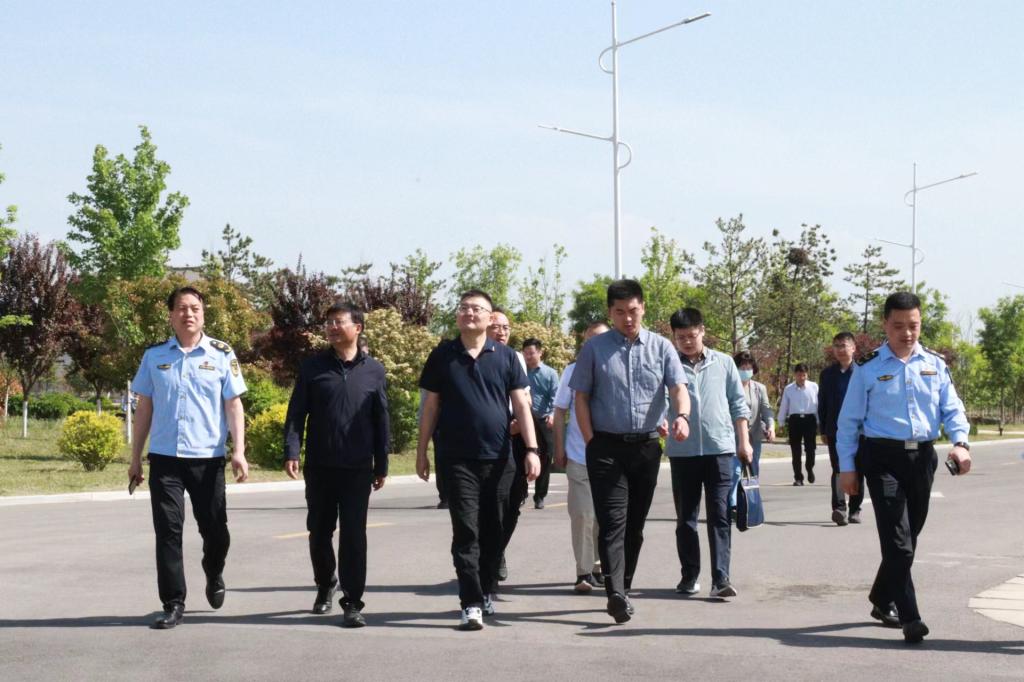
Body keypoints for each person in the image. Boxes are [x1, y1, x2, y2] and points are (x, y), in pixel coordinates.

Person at [837, 291, 972, 644]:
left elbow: (952, 408)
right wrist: (847, 468)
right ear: (885, 325)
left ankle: (881, 597)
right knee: (899, 543)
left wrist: (960, 443)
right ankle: (910, 617)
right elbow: (848, 422)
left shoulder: (935, 364)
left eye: (913, 325)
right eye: (898, 326)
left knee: (909, 538)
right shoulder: (867, 367)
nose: (907, 333)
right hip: (882, 458)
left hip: (922, 459)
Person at [417, 290, 541, 631]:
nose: (469, 313)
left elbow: (521, 405)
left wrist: (532, 450)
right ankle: (470, 602)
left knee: (494, 531)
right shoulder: (442, 355)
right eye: (464, 308)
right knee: (466, 532)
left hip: (499, 459)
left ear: (489, 317)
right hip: (456, 459)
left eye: (476, 309)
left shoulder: (506, 358)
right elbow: (430, 406)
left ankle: (486, 589)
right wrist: (422, 451)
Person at [128, 286, 249, 630]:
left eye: (195, 308)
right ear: (171, 315)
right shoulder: (154, 356)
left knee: (215, 531)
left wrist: (238, 451)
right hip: (165, 459)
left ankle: (214, 570)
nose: (189, 314)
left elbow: (233, 404)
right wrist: (135, 458)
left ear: (203, 314)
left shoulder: (222, 354)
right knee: (168, 531)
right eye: (182, 308)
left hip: (207, 459)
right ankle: (173, 602)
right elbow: (144, 408)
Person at [570, 279, 690, 624]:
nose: (627, 318)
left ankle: (624, 584)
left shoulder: (662, 347)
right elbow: (581, 397)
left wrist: (682, 416)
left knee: (634, 526)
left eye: (633, 311)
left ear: (643, 309)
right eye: (620, 312)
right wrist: (591, 440)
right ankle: (616, 594)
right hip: (605, 448)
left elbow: (678, 388)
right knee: (612, 522)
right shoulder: (594, 349)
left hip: (646, 448)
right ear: (610, 312)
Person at [283, 302, 390, 628]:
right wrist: (292, 450)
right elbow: (296, 413)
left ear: (357, 327)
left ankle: (353, 602)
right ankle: (325, 582)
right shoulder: (312, 367)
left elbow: (381, 418)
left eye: (338, 321)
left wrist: (382, 463)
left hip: (358, 467)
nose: (331, 327)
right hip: (320, 466)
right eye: (328, 322)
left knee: (354, 535)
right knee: (319, 532)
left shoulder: (374, 371)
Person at [666, 308, 752, 599]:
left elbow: (738, 404)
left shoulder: (724, 362)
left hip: (720, 450)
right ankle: (689, 576)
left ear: (702, 331)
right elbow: (658, 402)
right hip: (683, 453)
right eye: (681, 337)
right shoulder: (669, 364)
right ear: (674, 337)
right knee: (686, 519)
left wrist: (744, 442)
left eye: (692, 335)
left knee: (720, 516)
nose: (687, 342)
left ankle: (721, 578)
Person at [552, 321, 610, 593]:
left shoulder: (617, 369)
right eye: (589, 341)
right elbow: (560, 410)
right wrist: (559, 448)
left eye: (600, 339)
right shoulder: (572, 371)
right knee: (583, 514)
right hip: (579, 456)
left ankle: (598, 566)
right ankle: (583, 571)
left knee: (603, 518)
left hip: (611, 459)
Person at [488, 307, 529, 582]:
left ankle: (498, 549)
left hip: (514, 437)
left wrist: (519, 425)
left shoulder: (515, 358)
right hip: (486, 440)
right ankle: (488, 557)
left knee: (514, 502)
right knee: (491, 503)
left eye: (505, 327)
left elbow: (525, 397)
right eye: (495, 326)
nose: (501, 332)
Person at [818, 331, 864, 526]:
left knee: (858, 468)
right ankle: (839, 508)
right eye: (836, 346)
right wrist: (823, 429)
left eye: (843, 345)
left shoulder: (863, 371)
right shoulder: (827, 374)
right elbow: (822, 403)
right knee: (838, 468)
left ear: (853, 348)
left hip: (860, 430)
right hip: (835, 430)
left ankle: (855, 509)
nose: (839, 350)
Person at [731, 351, 775, 509]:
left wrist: (771, 426)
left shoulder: (759, 388)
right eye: (742, 367)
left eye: (748, 367)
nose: (746, 370)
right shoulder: (729, 386)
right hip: (733, 436)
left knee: (752, 471)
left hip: (754, 437)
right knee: (735, 471)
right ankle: (733, 505)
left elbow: (766, 410)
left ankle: (750, 504)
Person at [522, 337, 559, 509]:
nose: (528, 356)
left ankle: (540, 496)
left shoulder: (550, 373)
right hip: (524, 419)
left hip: (544, 420)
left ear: (540, 352)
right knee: (522, 454)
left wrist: (552, 414)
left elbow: (555, 397)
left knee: (546, 456)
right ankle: (521, 492)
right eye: (525, 353)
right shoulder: (520, 371)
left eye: (531, 353)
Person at [778, 363, 819, 485]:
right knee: (795, 450)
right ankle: (798, 477)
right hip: (794, 421)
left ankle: (809, 468)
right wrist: (780, 422)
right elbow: (784, 406)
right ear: (795, 375)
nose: (801, 378)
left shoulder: (814, 387)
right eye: (799, 375)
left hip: (809, 420)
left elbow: (817, 405)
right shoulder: (789, 389)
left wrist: (819, 421)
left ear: (807, 375)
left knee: (810, 449)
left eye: (804, 375)